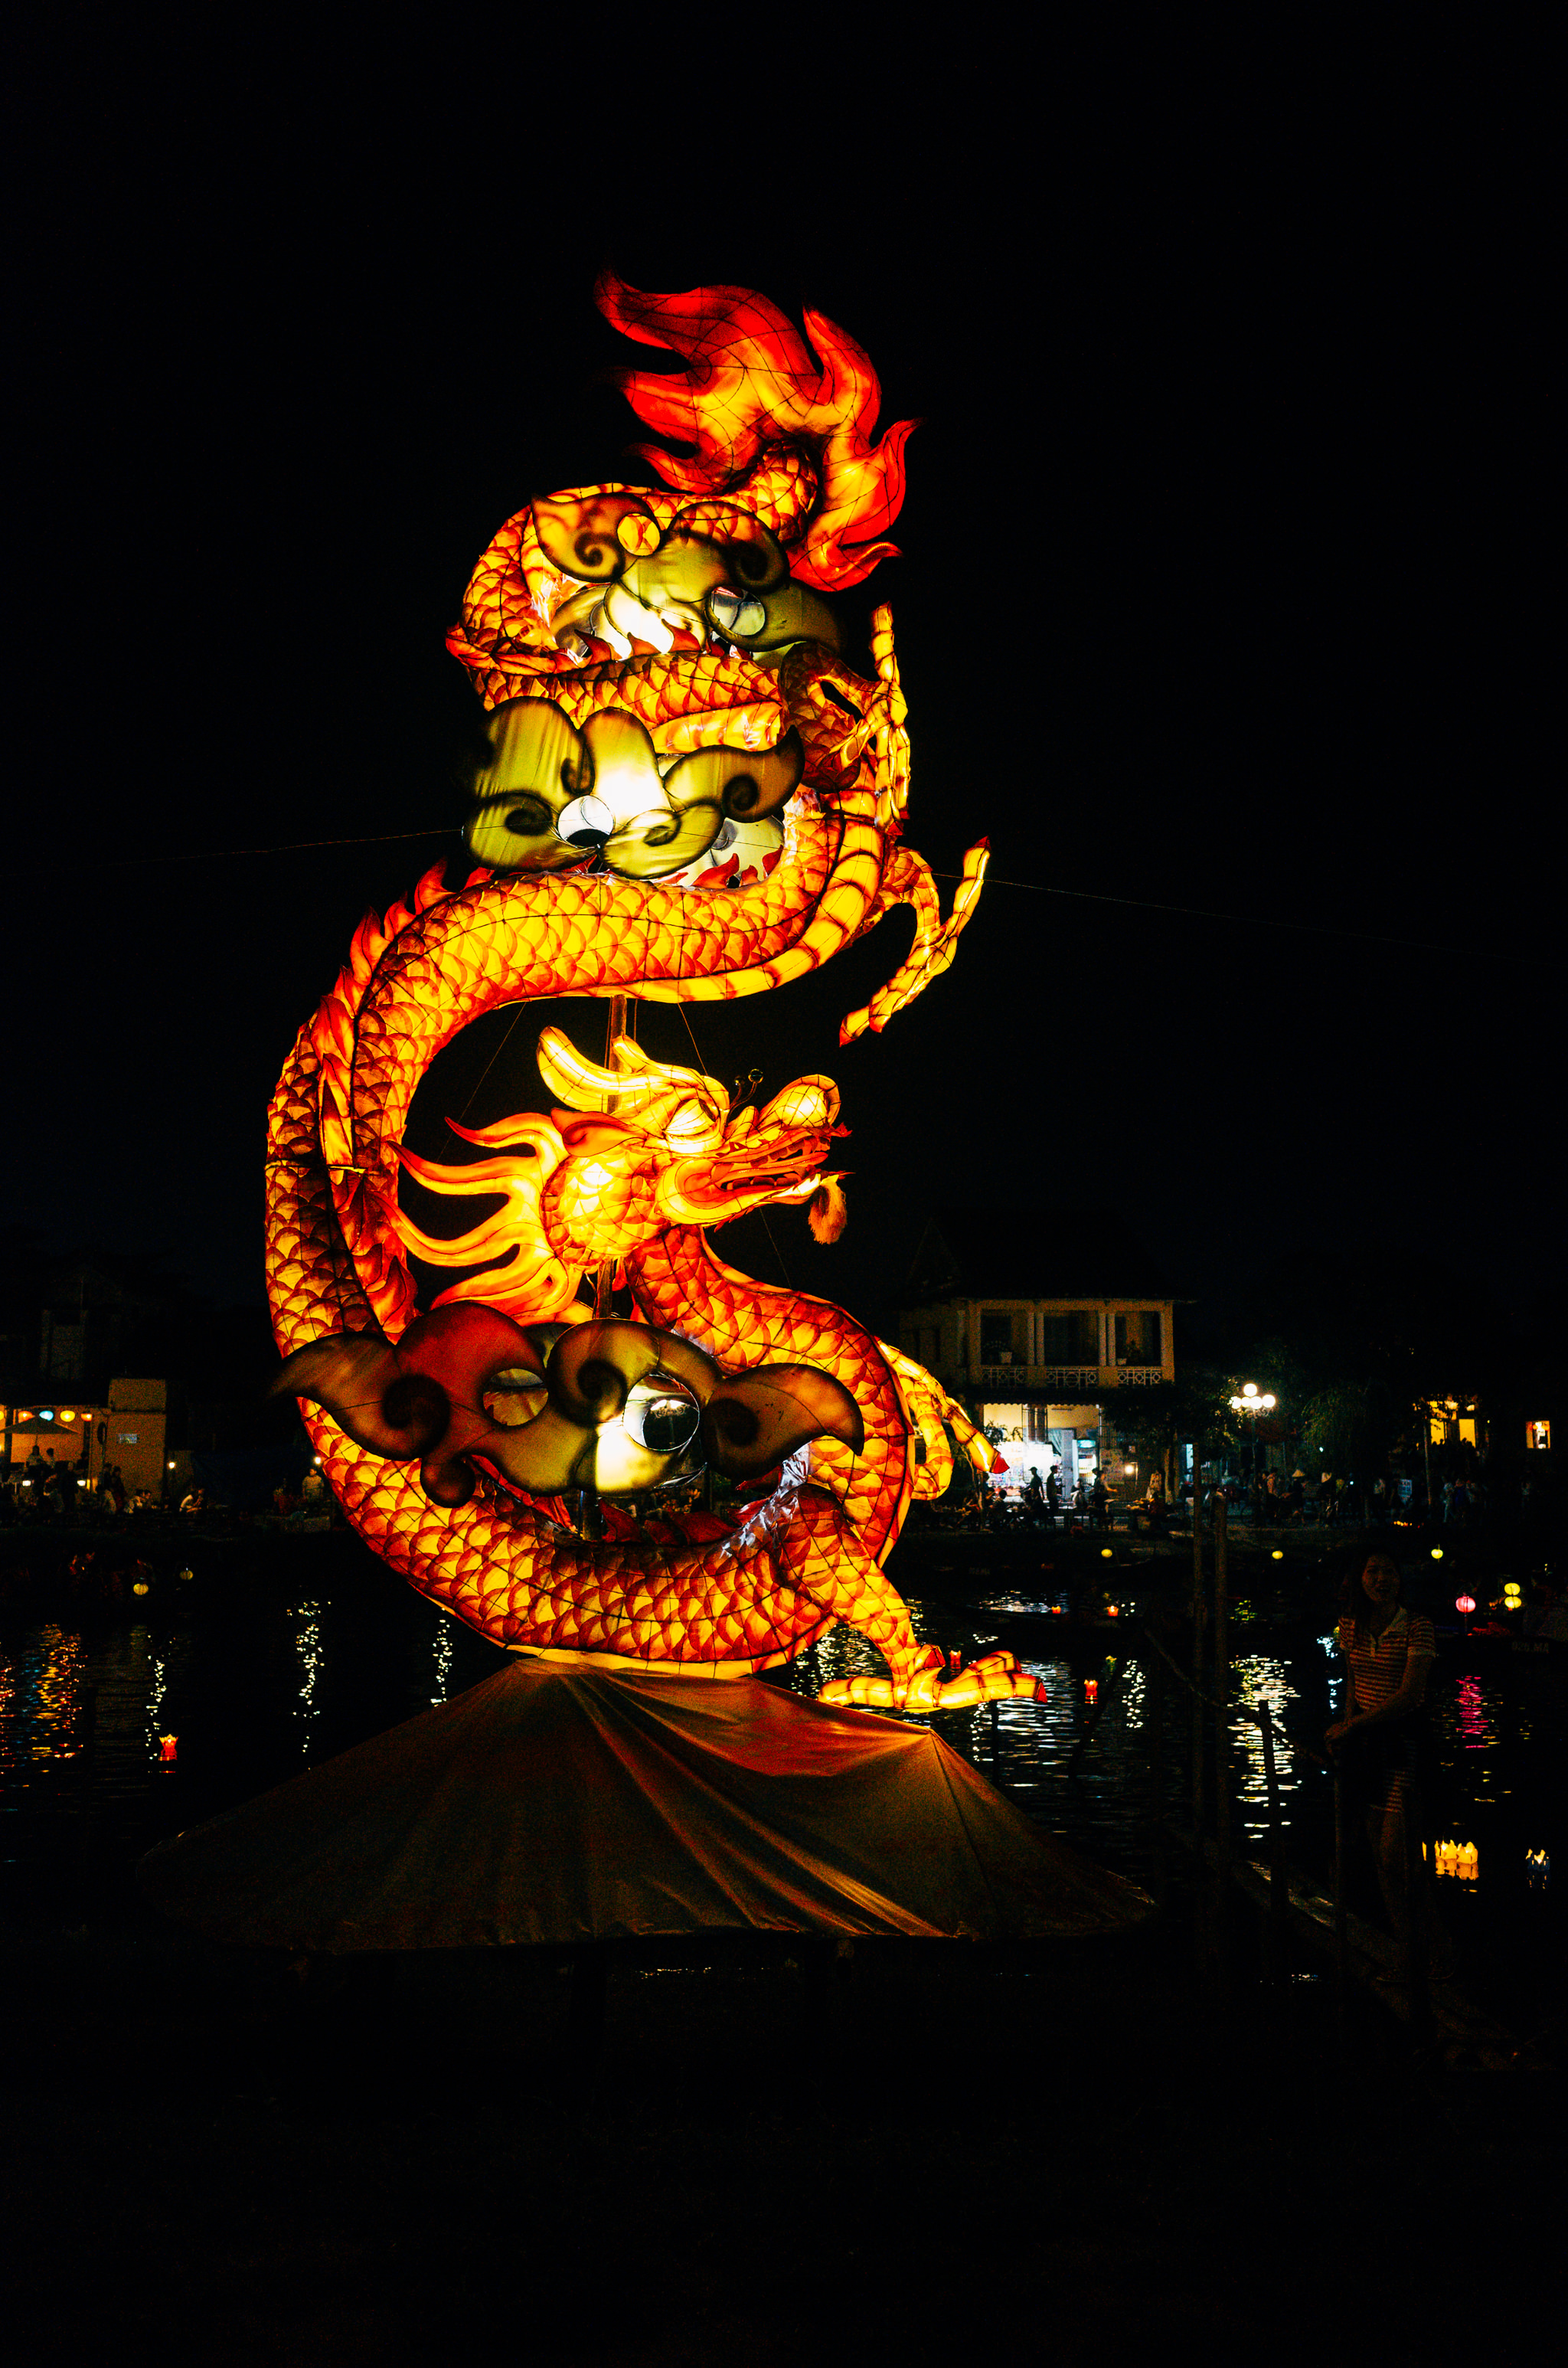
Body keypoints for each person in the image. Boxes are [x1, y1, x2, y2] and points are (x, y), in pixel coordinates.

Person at [1326, 1552, 1436, 1963]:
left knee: (1397, 1860)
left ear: (1400, 1578)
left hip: (1402, 1748)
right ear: (1360, 1578)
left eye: (1389, 1570)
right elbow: (1353, 1682)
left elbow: (1410, 1696)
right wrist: (1345, 1727)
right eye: (1372, 1570)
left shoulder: (1417, 1627)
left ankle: (1429, 1949)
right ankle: (1410, 1951)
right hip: (1366, 1750)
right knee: (1378, 1856)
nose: (1381, 1579)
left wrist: (1352, 1726)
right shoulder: (1350, 1625)